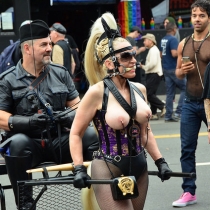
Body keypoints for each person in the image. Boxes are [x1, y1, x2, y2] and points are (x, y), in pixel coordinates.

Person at [70, 12, 172, 210]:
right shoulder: (96, 93)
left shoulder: (140, 90)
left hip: (140, 166)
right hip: (108, 166)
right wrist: (78, 168)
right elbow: (76, 133)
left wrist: (160, 161)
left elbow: (146, 133)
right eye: (126, 56)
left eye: (133, 54)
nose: (133, 60)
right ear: (109, 63)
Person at [0, 20, 98, 208]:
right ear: (27, 48)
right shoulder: (8, 79)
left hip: (60, 141)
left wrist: (68, 116)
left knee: (90, 136)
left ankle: (95, 193)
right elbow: (1, 117)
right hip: (30, 145)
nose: (49, 48)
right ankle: (25, 203)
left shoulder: (60, 73)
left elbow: (78, 106)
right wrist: (28, 122)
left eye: (50, 44)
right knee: (17, 143)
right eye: (43, 44)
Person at [172, 0, 210, 207]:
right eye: (194, 15)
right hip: (189, 103)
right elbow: (177, 72)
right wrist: (182, 71)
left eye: (202, 15)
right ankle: (188, 191)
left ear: (209, 18)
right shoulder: (183, 42)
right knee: (187, 149)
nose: (197, 19)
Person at [160, 22, 186, 122]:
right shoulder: (173, 39)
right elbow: (174, 53)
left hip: (166, 68)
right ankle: (179, 112)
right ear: (174, 29)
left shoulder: (163, 39)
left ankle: (168, 115)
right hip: (173, 68)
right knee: (186, 88)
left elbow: (161, 55)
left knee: (169, 93)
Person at [139, 33, 166, 120]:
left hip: (154, 74)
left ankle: (162, 106)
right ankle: (153, 113)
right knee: (151, 94)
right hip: (153, 74)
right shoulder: (153, 50)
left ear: (150, 41)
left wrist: (143, 67)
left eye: (145, 40)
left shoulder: (153, 50)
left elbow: (152, 63)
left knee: (148, 94)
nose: (144, 42)